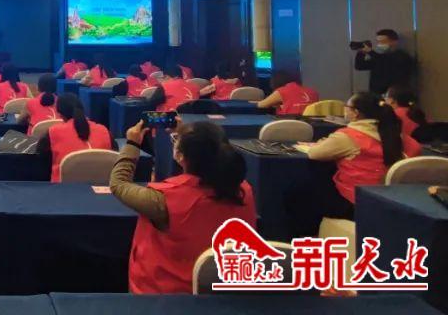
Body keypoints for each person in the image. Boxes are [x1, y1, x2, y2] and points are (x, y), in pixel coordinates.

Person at [112, 120, 257, 294]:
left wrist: (132, 144)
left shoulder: (162, 201)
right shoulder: (244, 190)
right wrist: (187, 134)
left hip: (163, 295)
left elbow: (119, 184)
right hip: (225, 292)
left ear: (181, 156)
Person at [288, 92, 419, 237]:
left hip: (353, 202)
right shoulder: (395, 135)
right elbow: (416, 149)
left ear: (356, 112)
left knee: (298, 193)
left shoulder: (349, 135)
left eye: (347, 106)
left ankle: (306, 239)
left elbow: (315, 153)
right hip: (388, 200)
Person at [36, 94, 114, 182]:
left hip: (63, 188)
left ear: (60, 114)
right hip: (104, 187)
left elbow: (41, 159)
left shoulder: (53, 132)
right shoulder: (104, 130)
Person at [354, 29, 415, 95]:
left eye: (383, 42)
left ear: (394, 42)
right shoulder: (380, 57)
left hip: (395, 95)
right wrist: (361, 52)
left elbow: (386, 63)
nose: (380, 44)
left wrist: (370, 52)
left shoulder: (402, 56)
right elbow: (359, 66)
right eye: (378, 42)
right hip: (376, 94)